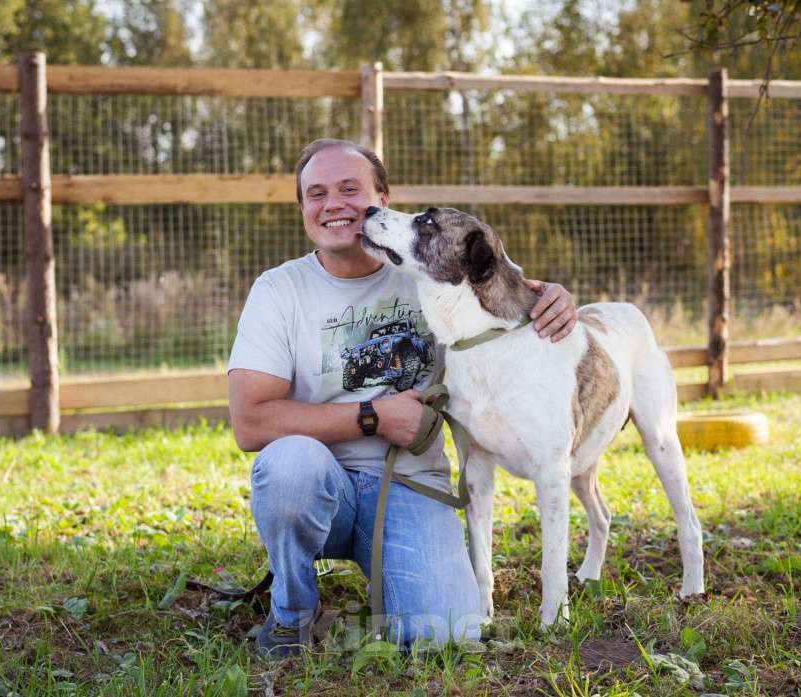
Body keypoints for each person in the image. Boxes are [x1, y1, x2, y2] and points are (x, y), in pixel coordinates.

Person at [228, 138, 577, 656]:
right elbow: (250, 423)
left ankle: (403, 581)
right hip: (321, 487)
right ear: (303, 208)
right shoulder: (278, 291)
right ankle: (291, 613)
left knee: (445, 636)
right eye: (317, 193)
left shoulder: (430, 270)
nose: (333, 204)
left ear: (382, 201)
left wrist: (556, 299)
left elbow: (502, 288)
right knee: (289, 466)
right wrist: (373, 417)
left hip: (411, 486)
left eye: (350, 189)